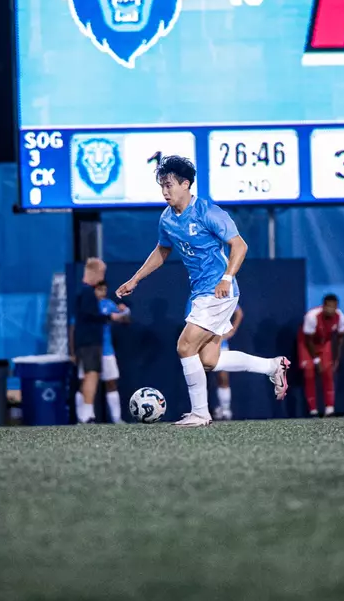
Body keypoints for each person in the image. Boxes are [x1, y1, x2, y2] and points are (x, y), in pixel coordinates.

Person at [116, 155, 289, 427]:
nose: (165, 191)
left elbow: (240, 246)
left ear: (186, 184)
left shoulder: (209, 212)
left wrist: (227, 278)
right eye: (162, 185)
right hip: (201, 293)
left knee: (185, 346)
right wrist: (135, 279)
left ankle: (200, 413)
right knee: (208, 360)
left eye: (169, 185)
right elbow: (163, 250)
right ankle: (272, 366)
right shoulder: (167, 219)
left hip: (218, 291)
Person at [76, 281, 130, 424]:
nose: (103, 292)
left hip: (106, 350)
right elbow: (73, 326)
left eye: (105, 289)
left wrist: (125, 311)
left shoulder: (109, 304)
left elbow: (125, 319)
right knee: (85, 382)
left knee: (111, 383)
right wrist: (73, 350)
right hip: (89, 347)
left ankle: (116, 418)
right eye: (100, 289)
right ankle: (83, 417)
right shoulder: (86, 305)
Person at [68, 256, 107, 424]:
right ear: (94, 272)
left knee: (87, 374)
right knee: (91, 374)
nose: (102, 278)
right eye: (101, 273)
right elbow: (90, 315)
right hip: (90, 341)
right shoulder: (87, 293)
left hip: (84, 341)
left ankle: (85, 413)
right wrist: (108, 316)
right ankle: (87, 414)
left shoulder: (83, 291)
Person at [297, 294, 344, 417]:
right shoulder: (312, 316)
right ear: (323, 306)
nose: (331, 310)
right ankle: (313, 410)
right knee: (309, 373)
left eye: (334, 307)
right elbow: (308, 340)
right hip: (307, 343)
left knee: (328, 373)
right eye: (329, 306)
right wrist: (316, 360)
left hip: (324, 343)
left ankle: (330, 409)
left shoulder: (340, 317)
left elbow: (341, 338)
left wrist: (337, 358)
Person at [213, 304, 243, 421]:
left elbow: (239, 312)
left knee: (223, 377)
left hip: (220, 344)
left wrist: (231, 331)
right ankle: (200, 411)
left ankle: (225, 410)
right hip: (201, 343)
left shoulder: (222, 296)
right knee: (199, 377)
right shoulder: (195, 296)